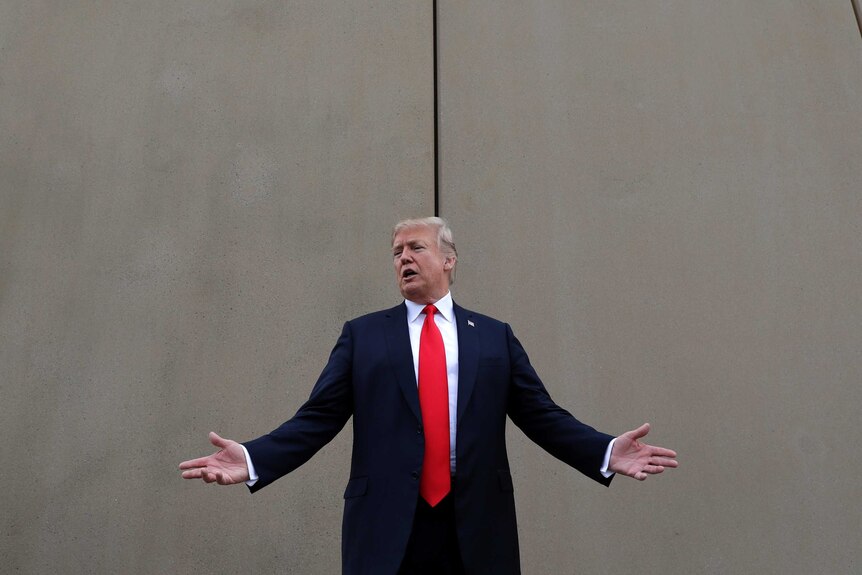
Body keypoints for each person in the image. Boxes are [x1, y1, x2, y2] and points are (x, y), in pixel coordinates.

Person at [179, 217, 678, 575]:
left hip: (475, 523)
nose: (403, 258)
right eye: (396, 252)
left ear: (448, 259)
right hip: (388, 524)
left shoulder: (494, 337)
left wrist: (606, 451)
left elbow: (543, 416)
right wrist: (252, 457)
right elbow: (317, 418)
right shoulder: (364, 335)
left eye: (415, 247)